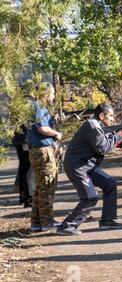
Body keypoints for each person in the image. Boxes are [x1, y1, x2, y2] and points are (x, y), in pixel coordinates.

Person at [57, 103, 122, 235]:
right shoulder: (92, 125)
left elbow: (115, 143)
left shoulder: (100, 126)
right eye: (111, 116)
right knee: (90, 197)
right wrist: (119, 134)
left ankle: (107, 221)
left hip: (87, 165)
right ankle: (66, 226)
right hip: (77, 166)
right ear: (102, 116)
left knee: (110, 183)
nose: (113, 119)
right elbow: (102, 147)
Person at [27, 83, 62, 232]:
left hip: (37, 150)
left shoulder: (36, 106)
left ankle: (36, 222)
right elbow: (42, 128)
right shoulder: (39, 106)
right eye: (52, 93)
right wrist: (56, 133)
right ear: (45, 93)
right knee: (47, 187)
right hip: (43, 151)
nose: (54, 97)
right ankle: (46, 221)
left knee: (40, 188)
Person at [12, 125, 32, 207]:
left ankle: (24, 197)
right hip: (24, 140)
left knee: (23, 168)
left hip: (21, 140)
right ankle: (27, 198)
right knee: (26, 168)